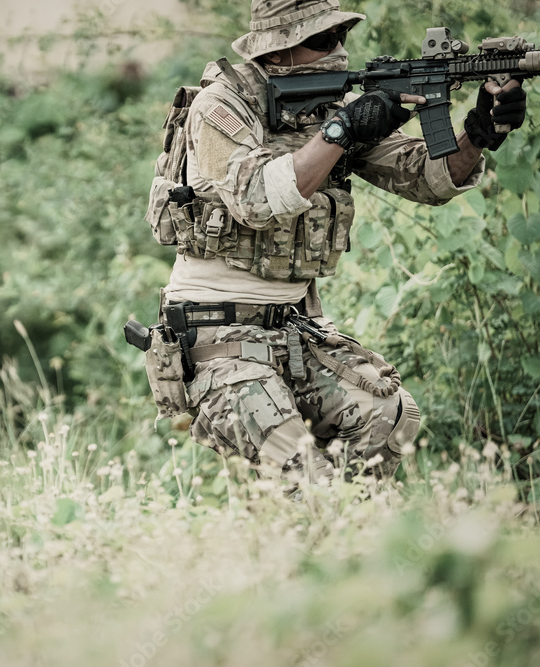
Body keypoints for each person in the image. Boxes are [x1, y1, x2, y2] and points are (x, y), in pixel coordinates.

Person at [141, 0, 527, 486]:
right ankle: (320, 528)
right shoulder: (220, 105)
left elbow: (425, 178)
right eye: (323, 40)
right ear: (278, 51)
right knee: (306, 480)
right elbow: (256, 198)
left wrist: (479, 133)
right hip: (217, 339)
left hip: (296, 331)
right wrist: (343, 130)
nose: (339, 51)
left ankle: (341, 545)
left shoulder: (328, 108)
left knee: (391, 417)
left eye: (342, 36)